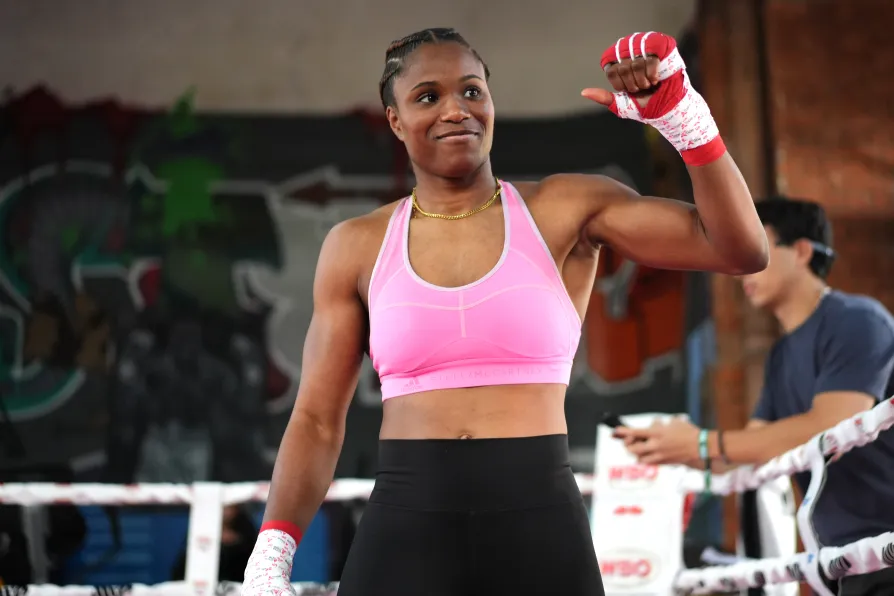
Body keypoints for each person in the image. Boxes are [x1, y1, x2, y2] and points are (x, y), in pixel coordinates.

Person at [242, 28, 768, 596]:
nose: (456, 110)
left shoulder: (566, 208)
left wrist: (682, 119)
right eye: (428, 96)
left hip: (540, 521)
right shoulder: (356, 245)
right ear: (395, 120)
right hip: (406, 525)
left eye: (472, 91)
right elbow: (317, 420)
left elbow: (739, 250)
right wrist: (271, 553)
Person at [614, 198, 894, 595]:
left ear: (801, 251)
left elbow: (832, 428)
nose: (742, 266)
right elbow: (751, 450)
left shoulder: (857, 320)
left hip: (885, 543)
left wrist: (702, 442)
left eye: (756, 247)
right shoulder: (780, 356)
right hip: (844, 558)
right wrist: (671, 446)